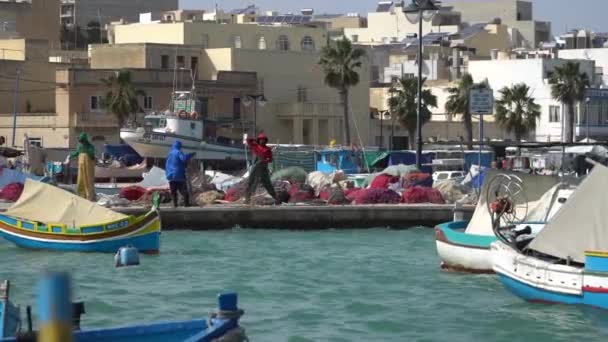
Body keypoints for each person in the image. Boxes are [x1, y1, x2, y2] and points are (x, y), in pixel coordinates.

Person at [245, 133, 277, 204]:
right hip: (255, 167)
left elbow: (270, 159)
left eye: (263, 140)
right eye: (260, 140)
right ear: (258, 140)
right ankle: (247, 199)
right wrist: (255, 140)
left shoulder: (268, 149)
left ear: (265, 141)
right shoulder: (255, 146)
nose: (262, 141)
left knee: (267, 183)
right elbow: (248, 140)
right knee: (251, 182)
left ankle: (275, 197)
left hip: (263, 167)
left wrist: (266, 160)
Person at [66, 133, 96, 201]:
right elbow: (76, 153)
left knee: (88, 180)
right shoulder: (79, 146)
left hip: (88, 167)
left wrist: (87, 153)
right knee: (80, 179)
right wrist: (70, 155)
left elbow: (92, 155)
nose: (81, 142)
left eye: (82, 141)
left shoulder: (90, 146)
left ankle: (89, 196)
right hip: (81, 166)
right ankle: (81, 195)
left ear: (85, 140)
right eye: (80, 141)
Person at [165, 141, 195, 207]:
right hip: (179, 175)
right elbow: (183, 159)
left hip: (171, 176)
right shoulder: (178, 152)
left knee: (173, 192)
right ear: (179, 146)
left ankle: (174, 204)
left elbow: (167, 164)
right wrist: (190, 155)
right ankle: (186, 204)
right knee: (184, 191)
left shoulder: (169, 153)